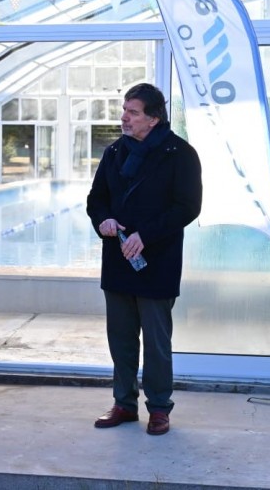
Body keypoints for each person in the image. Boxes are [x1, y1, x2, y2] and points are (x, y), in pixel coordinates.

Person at [86, 83, 202, 435]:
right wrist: (102, 220)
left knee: (155, 341)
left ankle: (159, 408)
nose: (124, 117)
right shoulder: (114, 152)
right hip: (119, 259)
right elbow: (96, 199)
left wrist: (144, 236)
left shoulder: (179, 153)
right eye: (124, 110)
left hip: (158, 260)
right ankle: (123, 403)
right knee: (120, 338)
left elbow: (187, 207)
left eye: (133, 112)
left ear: (153, 118)